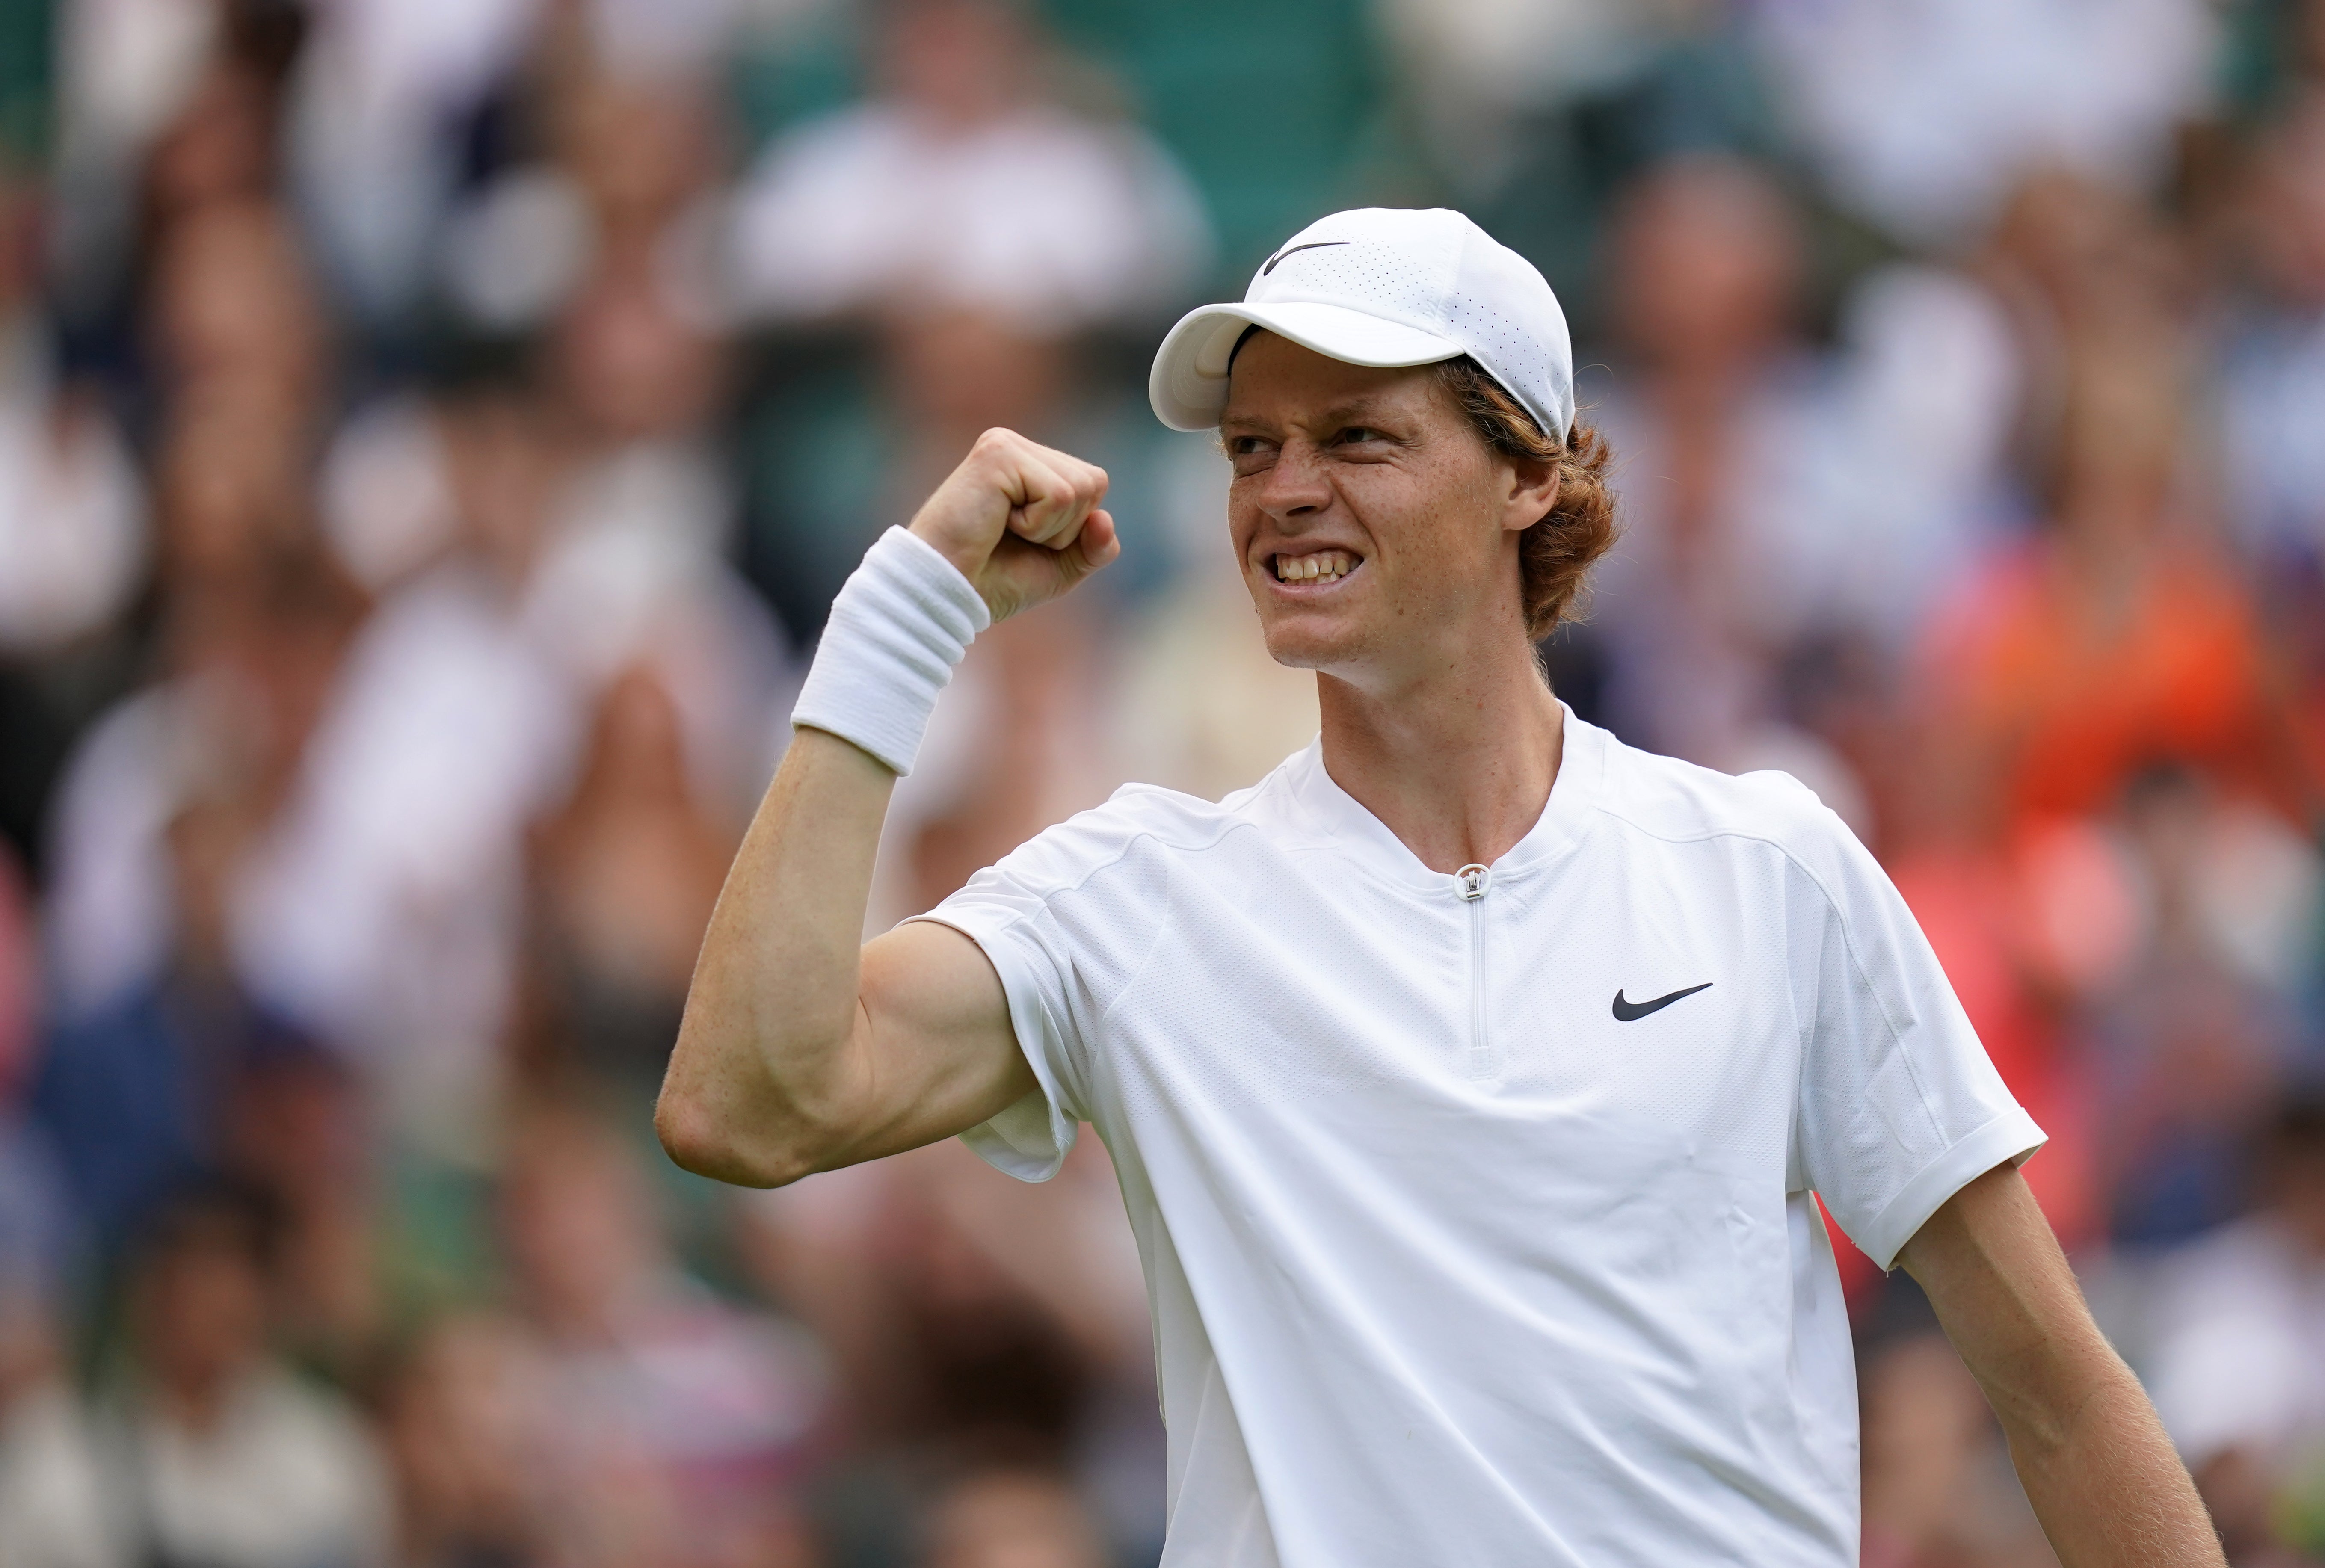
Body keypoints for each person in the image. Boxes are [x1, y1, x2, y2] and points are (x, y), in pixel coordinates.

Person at [658, 207, 2224, 1565]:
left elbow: (2059, 1391)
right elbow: (748, 1102)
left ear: (1525, 478)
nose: (1282, 489)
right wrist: (902, 618)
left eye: (1356, 439)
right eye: (1253, 446)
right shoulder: (1134, 902)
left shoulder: (1767, 870)